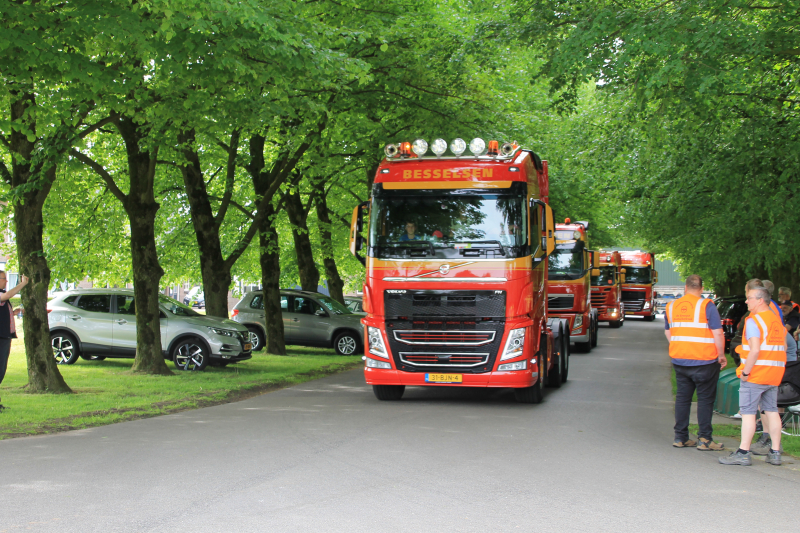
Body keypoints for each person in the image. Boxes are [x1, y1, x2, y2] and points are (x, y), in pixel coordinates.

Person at [719, 287, 787, 466]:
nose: (747, 302)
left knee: (748, 413)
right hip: (774, 374)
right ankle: (775, 452)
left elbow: (755, 350)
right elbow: (784, 348)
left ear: (760, 300)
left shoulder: (753, 321)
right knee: (772, 411)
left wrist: (746, 372)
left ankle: (743, 452)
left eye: (749, 298)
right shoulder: (775, 321)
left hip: (755, 374)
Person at [665, 274, 727, 451]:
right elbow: (717, 332)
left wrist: (679, 346)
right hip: (705, 360)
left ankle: (680, 437)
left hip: (680, 360)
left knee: (683, 399)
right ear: (701, 288)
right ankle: (705, 439)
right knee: (705, 400)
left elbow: (669, 332)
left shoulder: (671, 306)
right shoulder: (707, 305)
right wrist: (721, 354)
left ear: (685, 287)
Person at [0, 271, 29, 412]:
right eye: (4, 279)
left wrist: (14, 312)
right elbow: (7, 295)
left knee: (1, 370)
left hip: (5, 337)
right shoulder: (2, 295)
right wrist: (22, 284)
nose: (6, 281)